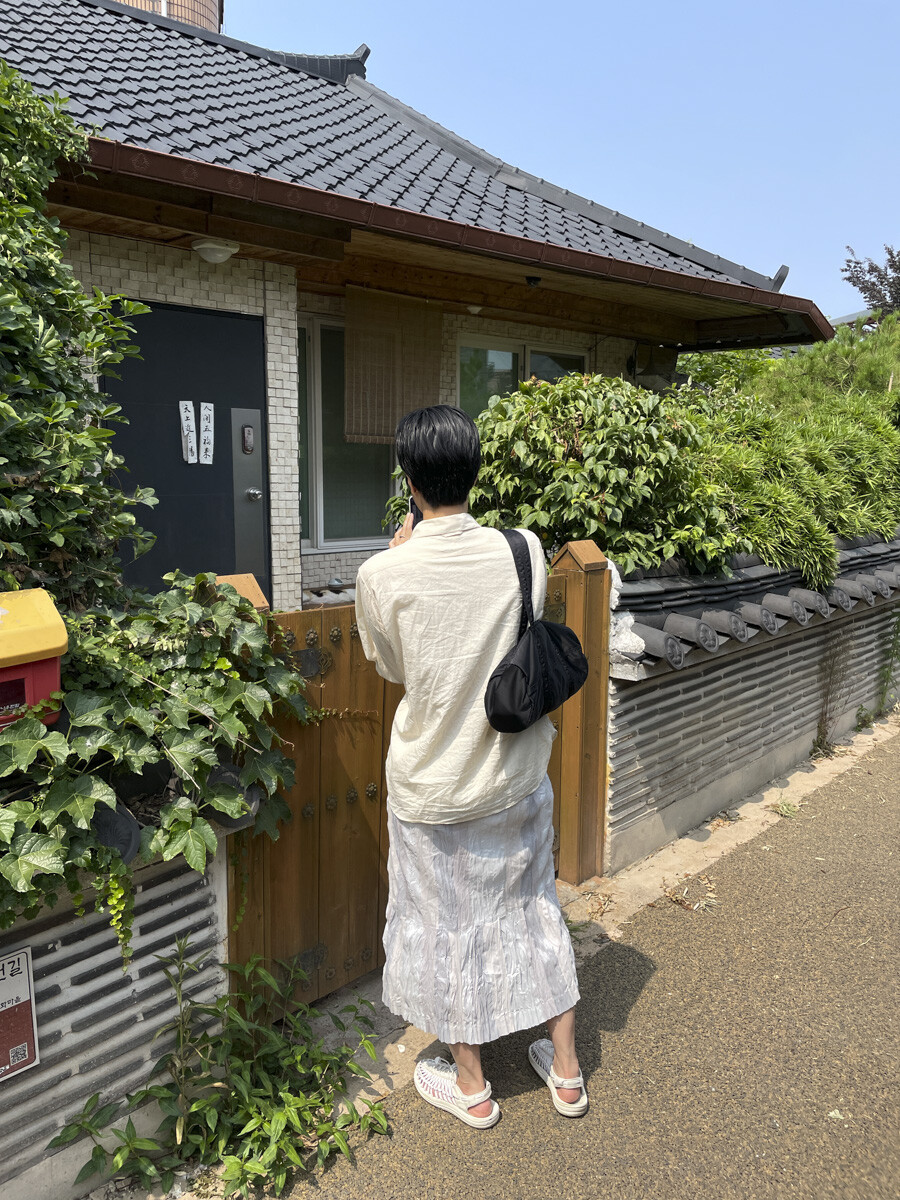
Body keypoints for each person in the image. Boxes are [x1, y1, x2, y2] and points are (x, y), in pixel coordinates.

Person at [354, 404, 585, 1129]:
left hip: (435, 787)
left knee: (447, 928)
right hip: (516, 777)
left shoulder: (381, 573)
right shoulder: (524, 550)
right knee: (535, 908)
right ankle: (567, 1072)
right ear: (474, 471)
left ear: (409, 480)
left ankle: (473, 1086)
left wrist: (401, 552)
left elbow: (391, 667)